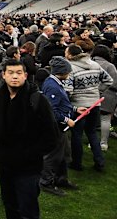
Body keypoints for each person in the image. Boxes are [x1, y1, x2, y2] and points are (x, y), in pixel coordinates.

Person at [0, 59, 58, 219]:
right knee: (10, 204)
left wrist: (31, 153)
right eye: (10, 73)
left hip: (28, 167)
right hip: (5, 163)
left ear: (25, 76)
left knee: (27, 207)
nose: (14, 77)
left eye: (18, 73)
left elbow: (51, 135)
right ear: (3, 75)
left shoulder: (37, 100)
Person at [64, 44, 112, 171]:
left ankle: (77, 163)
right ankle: (99, 162)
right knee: (92, 133)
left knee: (77, 134)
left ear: (70, 55)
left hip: (79, 105)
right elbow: (109, 80)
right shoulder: (95, 65)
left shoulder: (71, 68)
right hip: (95, 104)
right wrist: (98, 91)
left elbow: (68, 89)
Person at [40, 56, 81, 196]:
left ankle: (61, 178)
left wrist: (75, 109)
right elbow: (51, 110)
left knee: (63, 154)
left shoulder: (56, 83)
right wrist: (66, 119)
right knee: (53, 156)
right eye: (68, 71)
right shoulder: (52, 86)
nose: (69, 74)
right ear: (61, 72)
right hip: (55, 127)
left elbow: (62, 103)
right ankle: (46, 182)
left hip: (61, 127)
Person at [90, 44, 117, 151]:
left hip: (90, 93)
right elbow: (115, 82)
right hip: (108, 95)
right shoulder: (110, 66)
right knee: (105, 119)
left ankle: (92, 142)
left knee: (90, 120)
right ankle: (103, 143)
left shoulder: (89, 63)